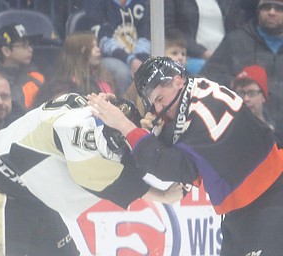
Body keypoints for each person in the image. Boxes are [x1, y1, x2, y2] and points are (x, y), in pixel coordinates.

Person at [87, 56, 283, 256]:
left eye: (160, 99)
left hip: (268, 203)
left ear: (177, 82)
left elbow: (173, 166)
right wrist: (125, 112)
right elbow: (171, 137)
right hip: (248, 207)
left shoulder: (203, 118)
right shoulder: (197, 89)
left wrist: (124, 124)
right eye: (154, 103)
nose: (158, 109)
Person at [0, 91, 184, 256]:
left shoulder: (93, 111)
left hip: (37, 201)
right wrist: (162, 196)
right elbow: (110, 179)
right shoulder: (82, 136)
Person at [200, 0, 283, 143]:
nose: (271, 12)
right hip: (241, 133)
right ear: (258, 11)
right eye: (266, 7)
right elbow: (209, 77)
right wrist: (237, 86)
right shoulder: (236, 40)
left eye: (279, 8)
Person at [83, 0, 151, 95]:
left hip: (137, 57)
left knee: (152, 67)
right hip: (106, 57)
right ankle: (124, 106)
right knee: (121, 73)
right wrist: (130, 60)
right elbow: (103, 40)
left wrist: (141, 61)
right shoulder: (97, 3)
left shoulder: (141, 3)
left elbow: (145, 35)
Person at [34, 31, 116, 107]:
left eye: (97, 45)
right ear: (79, 51)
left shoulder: (104, 77)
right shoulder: (62, 85)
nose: (98, 50)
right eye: (92, 46)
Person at [164, 0, 245, 74]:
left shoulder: (226, 2)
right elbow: (168, 28)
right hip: (192, 56)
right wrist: (202, 52)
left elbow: (237, 29)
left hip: (225, 58)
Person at [0, 23, 45, 117]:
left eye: (30, 45)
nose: (30, 49)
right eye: (24, 45)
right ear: (6, 51)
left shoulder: (38, 77)